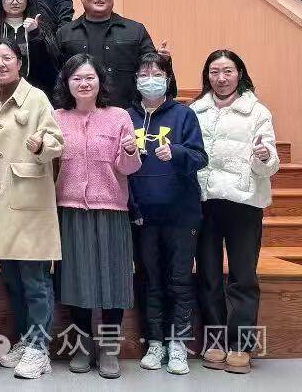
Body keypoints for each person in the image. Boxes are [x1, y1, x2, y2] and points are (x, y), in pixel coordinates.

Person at [0, 40, 64, 380]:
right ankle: (26, 339)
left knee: (35, 280)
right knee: (12, 279)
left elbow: (57, 143)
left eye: (7, 58)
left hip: (29, 203)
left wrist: (41, 145)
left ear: (19, 62)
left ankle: (40, 349)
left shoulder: (36, 98)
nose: (0, 64)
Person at [52, 54, 140, 379]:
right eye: (77, 78)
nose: (84, 83)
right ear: (67, 83)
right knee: (77, 281)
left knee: (113, 281)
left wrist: (129, 151)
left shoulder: (119, 117)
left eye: (90, 77)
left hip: (111, 209)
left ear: (100, 81)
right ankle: (82, 345)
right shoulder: (57, 117)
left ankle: (110, 348)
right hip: (70, 208)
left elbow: (129, 168)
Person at [192, 49, 278, 375]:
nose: (221, 78)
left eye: (228, 71)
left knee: (243, 276)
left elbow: (269, 164)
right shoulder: (196, 110)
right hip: (205, 200)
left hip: (245, 201)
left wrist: (264, 155)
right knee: (209, 275)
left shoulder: (257, 111)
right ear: (207, 76)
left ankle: (241, 345)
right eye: (214, 72)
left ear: (239, 73)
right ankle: (215, 341)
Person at [127, 52, 205, 376]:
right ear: (135, 80)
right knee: (150, 280)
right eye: (144, 74)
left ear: (168, 79)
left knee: (179, 281)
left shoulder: (184, 115)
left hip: (181, 213)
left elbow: (200, 157)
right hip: (143, 215)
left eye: (157, 74)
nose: (150, 79)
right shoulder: (126, 117)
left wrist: (176, 152)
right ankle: (155, 341)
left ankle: (178, 344)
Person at [56, 0, 162, 108]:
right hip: (78, 112)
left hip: (128, 111)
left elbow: (151, 69)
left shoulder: (135, 30)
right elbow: (56, 75)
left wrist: (162, 59)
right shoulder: (65, 33)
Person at [0, 0, 59, 97]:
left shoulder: (41, 28)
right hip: (0, 95)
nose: (15, 2)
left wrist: (35, 34)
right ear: (0, 0)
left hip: (35, 95)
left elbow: (50, 68)